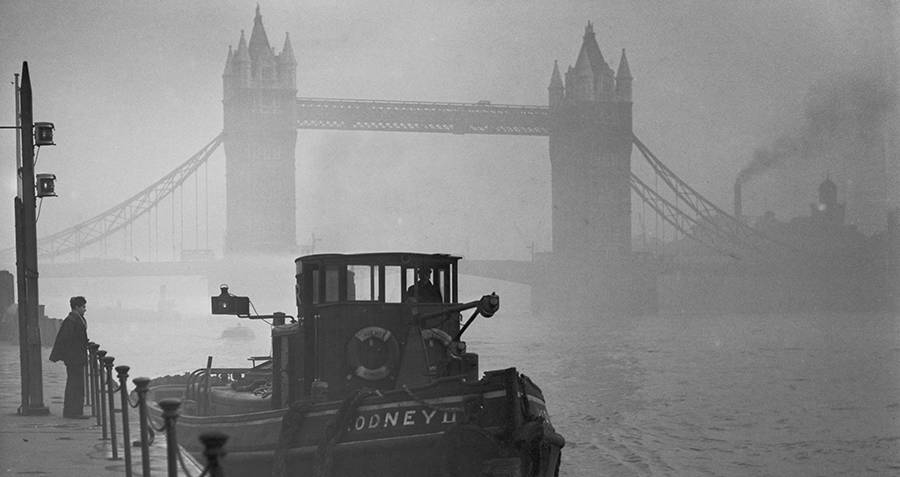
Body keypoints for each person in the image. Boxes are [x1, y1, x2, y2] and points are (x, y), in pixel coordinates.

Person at [49, 296, 89, 419]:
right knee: (75, 384)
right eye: (83, 307)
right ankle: (73, 412)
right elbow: (66, 340)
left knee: (75, 383)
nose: (85, 309)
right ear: (76, 307)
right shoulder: (71, 321)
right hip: (74, 358)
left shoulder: (75, 319)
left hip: (76, 357)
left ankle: (74, 410)